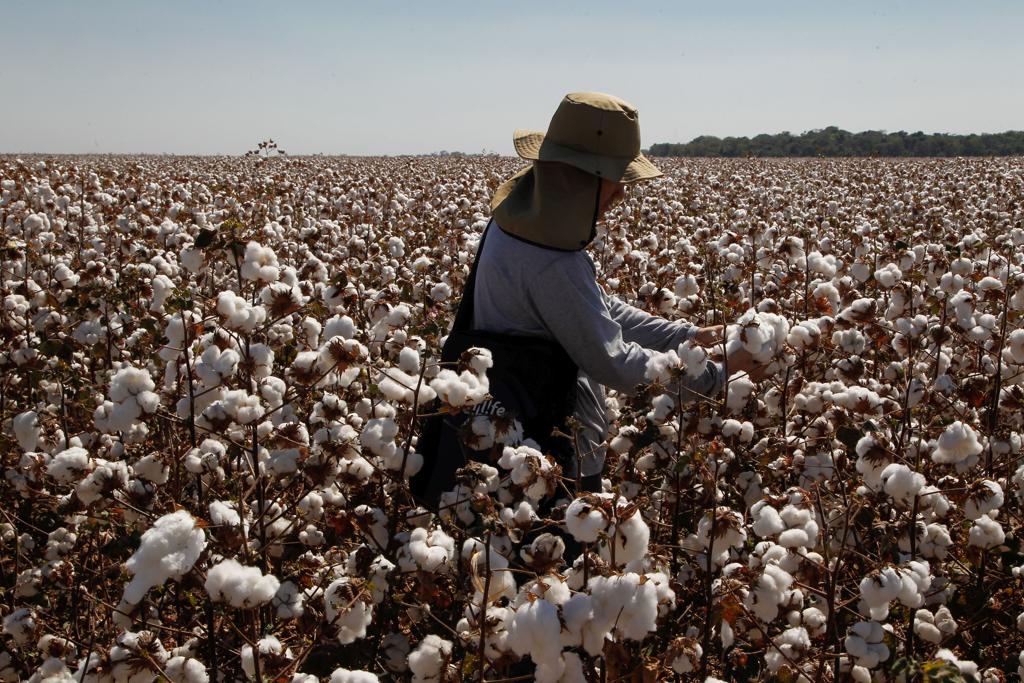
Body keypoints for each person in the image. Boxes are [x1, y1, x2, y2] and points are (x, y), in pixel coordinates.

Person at [469, 92, 767, 490]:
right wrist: (720, 375)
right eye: (617, 178)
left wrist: (683, 335)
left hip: (522, 431)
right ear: (583, 176)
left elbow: (594, 308)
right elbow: (615, 363)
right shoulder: (551, 260)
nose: (623, 193)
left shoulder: (519, 224)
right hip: (551, 455)